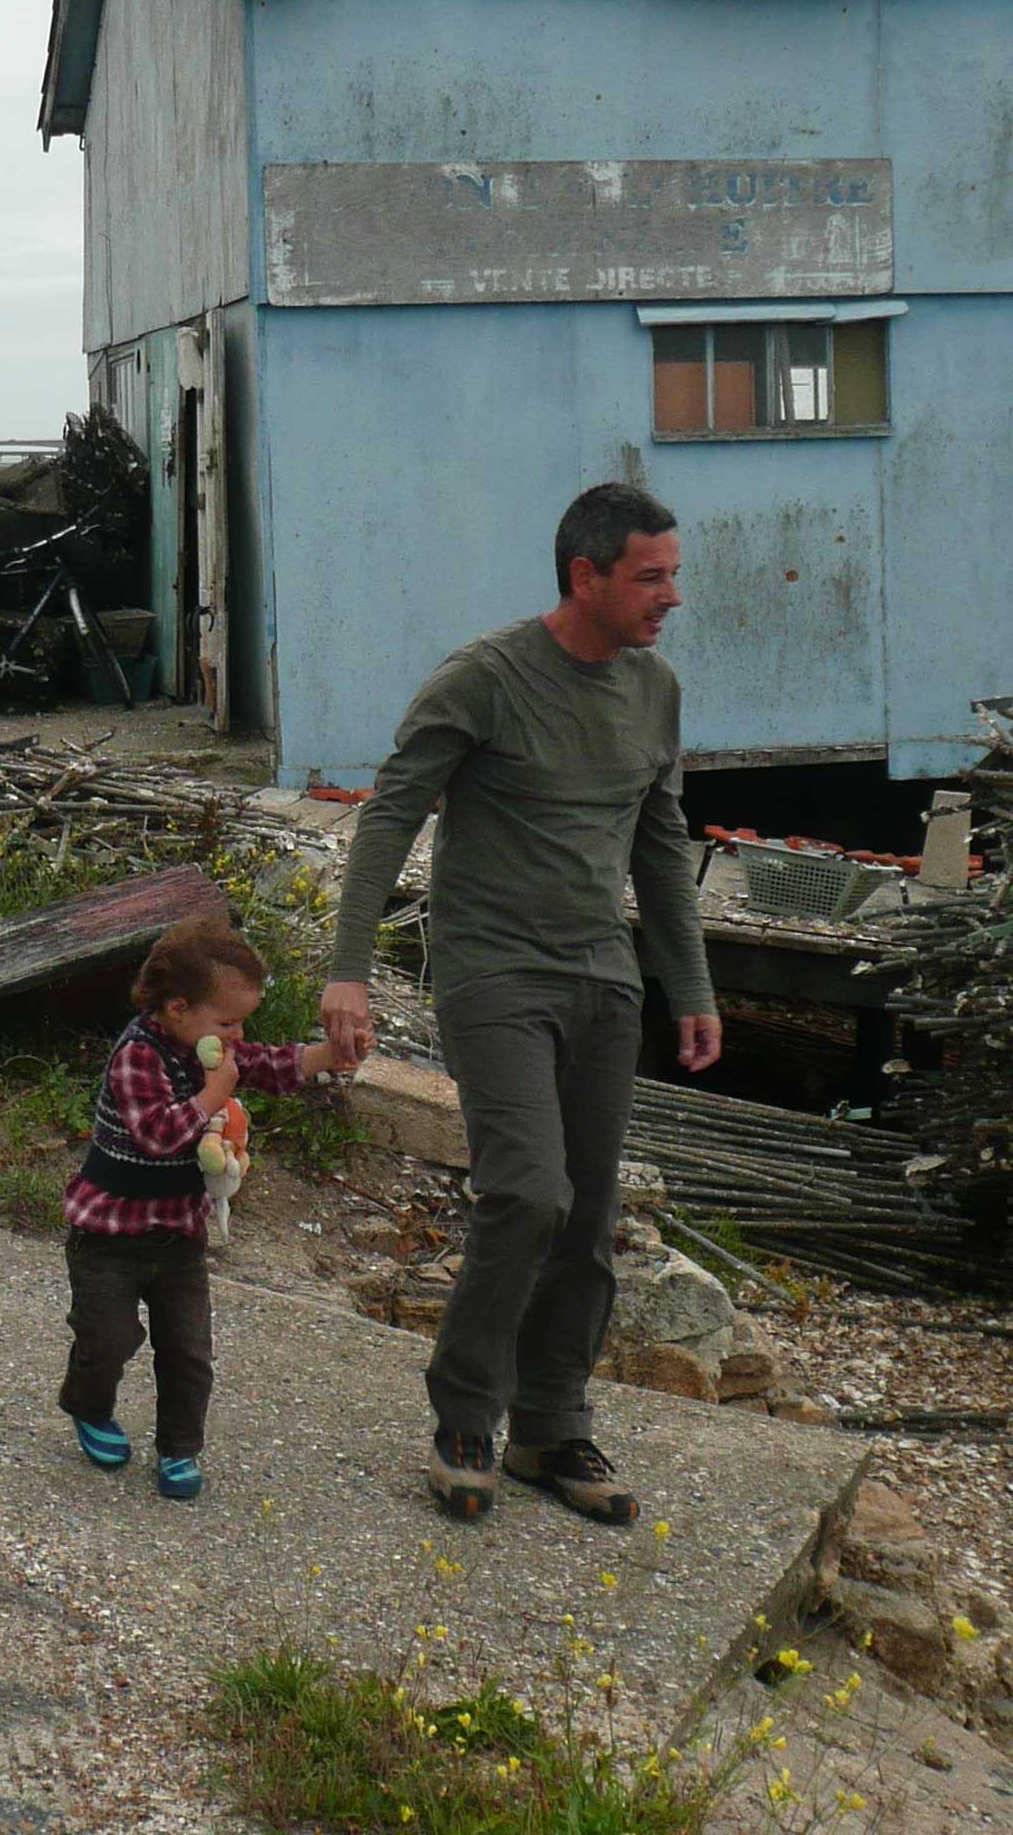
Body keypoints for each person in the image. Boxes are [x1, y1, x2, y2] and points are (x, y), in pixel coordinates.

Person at [320, 482, 721, 1527]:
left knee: (587, 1214)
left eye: (674, 575)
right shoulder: (485, 678)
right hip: (494, 973)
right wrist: (347, 967)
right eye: (651, 576)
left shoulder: (656, 690)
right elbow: (390, 814)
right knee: (529, 1192)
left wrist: (691, 986)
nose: (671, 597)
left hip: (604, 981)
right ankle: (465, 1414)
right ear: (585, 575)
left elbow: (662, 846)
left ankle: (551, 1423)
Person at [59, 917, 342, 1501]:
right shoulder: (138, 1056)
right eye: (228, 1023)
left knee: (189, 1351)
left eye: (242, 1023)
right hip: (109, 1234)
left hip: (178, 1235)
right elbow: (157, 1135)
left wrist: (328, 1055)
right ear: (178, 1009)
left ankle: (179, 1447)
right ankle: (89, 1405)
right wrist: (215, 1095)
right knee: (107, 1338)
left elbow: (265, 1064)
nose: (238, 1036)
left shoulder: (208, 1048)